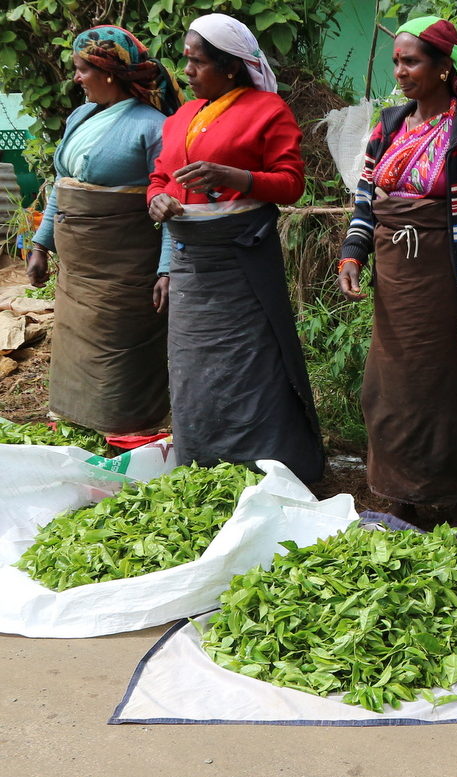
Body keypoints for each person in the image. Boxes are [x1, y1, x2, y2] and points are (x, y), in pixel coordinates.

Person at [336, 16, 457, 526]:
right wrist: (353, 253)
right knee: (392, 387)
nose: (402, 72)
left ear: (442, 69)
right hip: (396, 284)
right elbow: (366, 200)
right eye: (397, 62)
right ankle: (399, 491)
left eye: (411, 62)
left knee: (451, 385)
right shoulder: (387, 128)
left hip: (445, 283)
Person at [147, 13, 323, 484]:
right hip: (190, 265)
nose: (187, 72)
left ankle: (267, 465)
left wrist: (238, 178)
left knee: (251, 362)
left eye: (197, 62)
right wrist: (158, 200)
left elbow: (291, 184)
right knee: (192, 369)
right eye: (187, 61)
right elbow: (160, 177)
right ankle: (204, 465)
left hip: (242, 261)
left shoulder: (268, 111)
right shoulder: (181, 117)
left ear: (230, 67)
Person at [25, 25, 183, 436]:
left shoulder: (152, 127)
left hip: (124, 269)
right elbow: (64, 184)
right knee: (75, 347)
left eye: (81, 70)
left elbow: (168, 203)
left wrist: (166, 269)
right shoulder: (81, 116)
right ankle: (79, 421)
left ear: (108, 72)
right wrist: (41, 243)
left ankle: (129, 430)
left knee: (119, 351)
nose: (76, 79)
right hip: (77, 267)